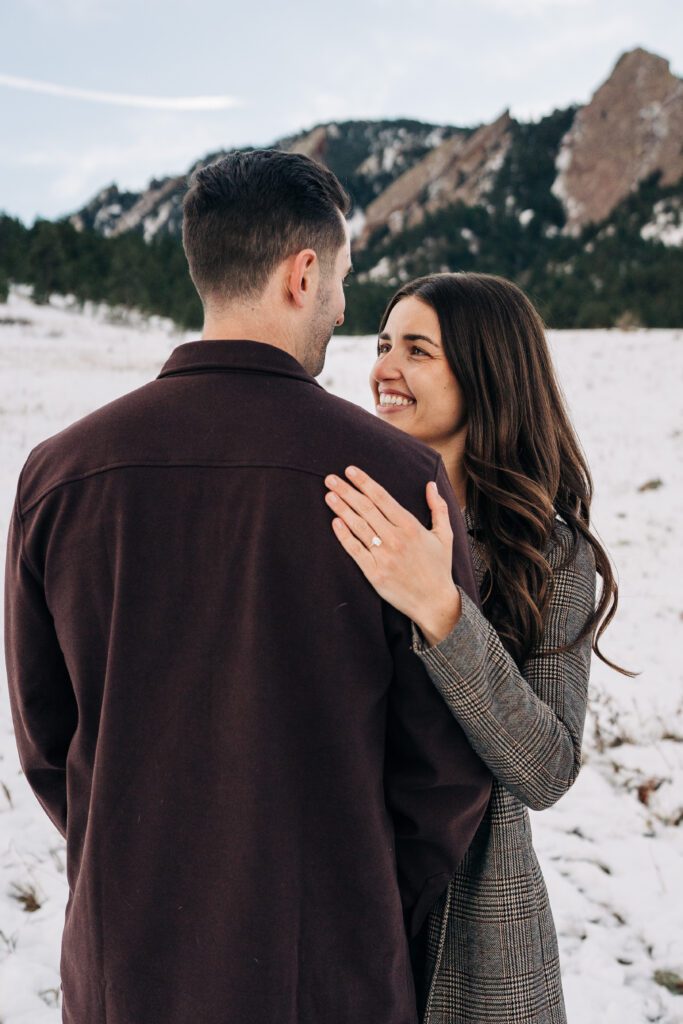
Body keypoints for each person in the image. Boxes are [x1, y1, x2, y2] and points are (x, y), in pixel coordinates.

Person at [3, 153, 492, 1024]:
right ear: (303, 274)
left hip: (126, 965)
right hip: (329, 970)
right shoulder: (396, 477)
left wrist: (132, 853)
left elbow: (47, 742)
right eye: (342, 280)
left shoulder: (59, 474)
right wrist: (361, 900)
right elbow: (444, 768)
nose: (345, 308)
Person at [323, 272, 630, 1023]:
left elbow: (546, 768)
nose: (382, 369)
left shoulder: (548, 555)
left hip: (475, 924)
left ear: (485, 374)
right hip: (335, 894)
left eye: (416, 350)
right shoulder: (342, 517)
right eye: (382, 343)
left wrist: (442, 609)